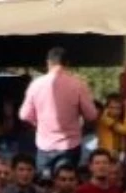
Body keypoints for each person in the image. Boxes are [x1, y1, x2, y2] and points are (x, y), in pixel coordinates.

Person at [18, 47, 98, 178]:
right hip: (70, 146)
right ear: (67, 64)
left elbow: (24, 115)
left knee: (44, 188)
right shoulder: (78, 85)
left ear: (48, 63)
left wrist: (39, 123)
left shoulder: (36, 85)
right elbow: (91, 115)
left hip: (44, 146)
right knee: (66, 186)